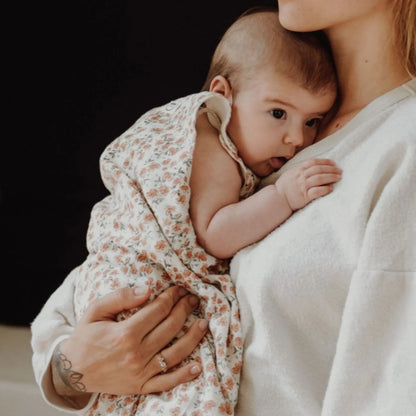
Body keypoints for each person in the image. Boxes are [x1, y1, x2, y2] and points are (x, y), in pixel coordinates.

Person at [31, 0, 416, 415]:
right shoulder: (236, 123)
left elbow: (393, 391)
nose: (296, 138)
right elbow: (122, 259)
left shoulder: (400, 147)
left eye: (307, 121)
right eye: (279, 114)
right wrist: (70, 368)